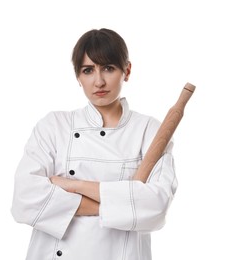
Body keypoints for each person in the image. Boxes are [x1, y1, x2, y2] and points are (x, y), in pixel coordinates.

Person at [11, 28, 178, 260]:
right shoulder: (54, 126)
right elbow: (24, 199)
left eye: (108, 68)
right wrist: (120, 205)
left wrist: (74, 185)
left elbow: (156, 207)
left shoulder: (149, 130)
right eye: (88, 70)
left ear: (126, 70)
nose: (98, 81)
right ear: (78, 77)